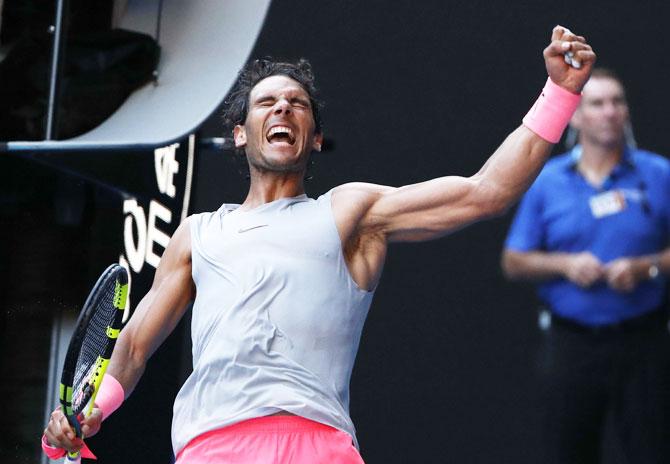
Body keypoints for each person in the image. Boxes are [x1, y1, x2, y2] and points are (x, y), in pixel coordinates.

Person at [43, 26, 595, 463]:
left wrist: (560, 93)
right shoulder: (198, 232)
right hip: (211, 446)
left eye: (297, 104)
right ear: (240, 133)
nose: (283, 108)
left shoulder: (350, 212)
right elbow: (135, 344)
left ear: (314, 137)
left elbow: (484, 193)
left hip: (317, 445)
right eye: (267, 103)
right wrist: (92, 411)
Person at [502, 68, 670, 464]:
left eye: (618, 102)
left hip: (643, 341)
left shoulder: (657, 174)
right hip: (572, 345)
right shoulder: (548, 181)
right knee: (568, 452)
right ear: (575, 115)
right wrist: (564, 264)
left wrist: (647, 267)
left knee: (654, 451)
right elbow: (514, 260)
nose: (610, 112)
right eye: (597, 103)